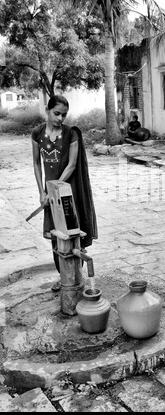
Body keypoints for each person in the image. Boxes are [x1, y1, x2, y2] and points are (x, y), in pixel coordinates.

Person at [31, 94, 98, 291]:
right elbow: (36, 163)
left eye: (64, 115)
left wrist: (55, 189)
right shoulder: (37, 133)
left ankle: (76, 278)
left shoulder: (71, 134)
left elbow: (71, 165)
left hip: (69, 192)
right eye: (56, 113)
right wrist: (42, 192)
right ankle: (64, 278)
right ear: (47, 110)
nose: (60, 119)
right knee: (55, 234)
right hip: (49, 192)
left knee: (72, 233)